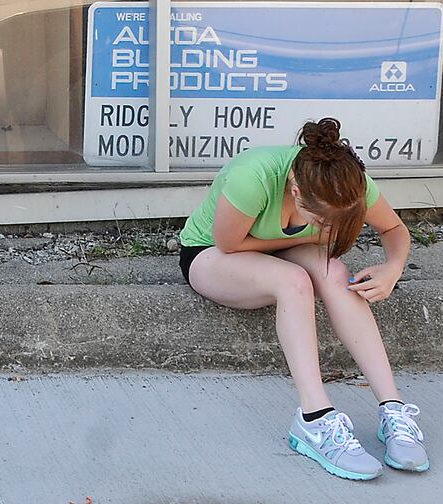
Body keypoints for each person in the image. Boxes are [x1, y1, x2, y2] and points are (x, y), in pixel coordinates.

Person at [178, 117, 427, 481]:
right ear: (295, 192)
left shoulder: (347, 181)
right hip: (212, 255)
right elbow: (229, 243)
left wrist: (393, 267)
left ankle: (393, 409)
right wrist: (310, 241)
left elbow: (393, 228)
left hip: (279, 251)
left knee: (336, 273)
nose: (330, 230)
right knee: (294, 281)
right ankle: (314, 419)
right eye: (323, 220)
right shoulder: (255, 176)